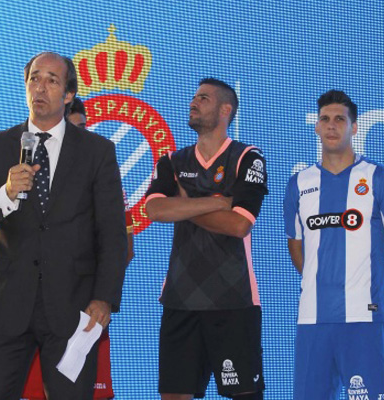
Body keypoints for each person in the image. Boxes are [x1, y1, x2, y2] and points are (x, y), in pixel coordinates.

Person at [0, 52, 127, 400]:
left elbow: (112, 233)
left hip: (72, 308)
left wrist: (104, 297)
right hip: (6, 309)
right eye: (34, 78)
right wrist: (4, 193)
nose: (41, 87)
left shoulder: (98, 152)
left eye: (52, 80)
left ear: (67, 94)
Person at [146, 78, 267, 400]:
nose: (193, 102)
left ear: (226, 110)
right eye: (193, 97)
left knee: (245, 394)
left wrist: (183, 205)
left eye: (203, 98)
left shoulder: (247, 157)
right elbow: (155, 210)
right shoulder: (172, 160)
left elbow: (239, 225)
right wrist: (215, 201)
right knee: (173, 395)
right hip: (180, 299)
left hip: (233, 298)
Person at [284, 90, 384, 399]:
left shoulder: (379, 177)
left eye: (340, 119)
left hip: (365, 320)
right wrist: (319, 283)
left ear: (354, 127)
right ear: (316, 127)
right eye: (325, 119)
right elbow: (296, 246)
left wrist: (374, 287)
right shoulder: (298, 184)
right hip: (313, 321)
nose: (331, 125)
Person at [21, 97, 135, 400]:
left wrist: (97, 293)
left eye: (83, 127)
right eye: (71, 128)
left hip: (84, 309)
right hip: (35, 309)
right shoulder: (25, 175)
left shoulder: (104, 177)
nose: (79, 135)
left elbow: (124, 248)